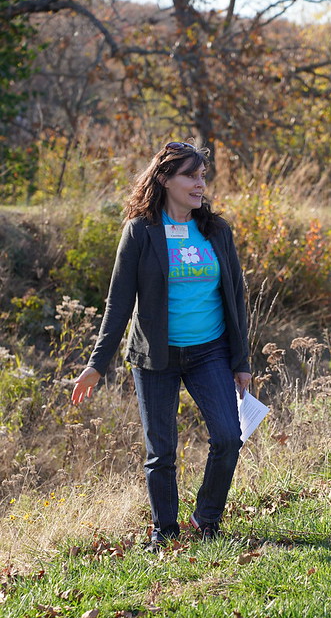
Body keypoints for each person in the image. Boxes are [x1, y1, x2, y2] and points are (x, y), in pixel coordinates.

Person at [71, 141, 251, 550]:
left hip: (211, 351)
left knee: (227, 437)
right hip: (156, 354)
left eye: (203, 175)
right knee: (161, 451)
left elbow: (236, 296)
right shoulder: (140, 232)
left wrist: (241, 360)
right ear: (166, 179)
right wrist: (97, 365)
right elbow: (119, 302)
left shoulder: (216, 231)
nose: (199, 184)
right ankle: (163, 531)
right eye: (191, 175)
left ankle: (206, 520)